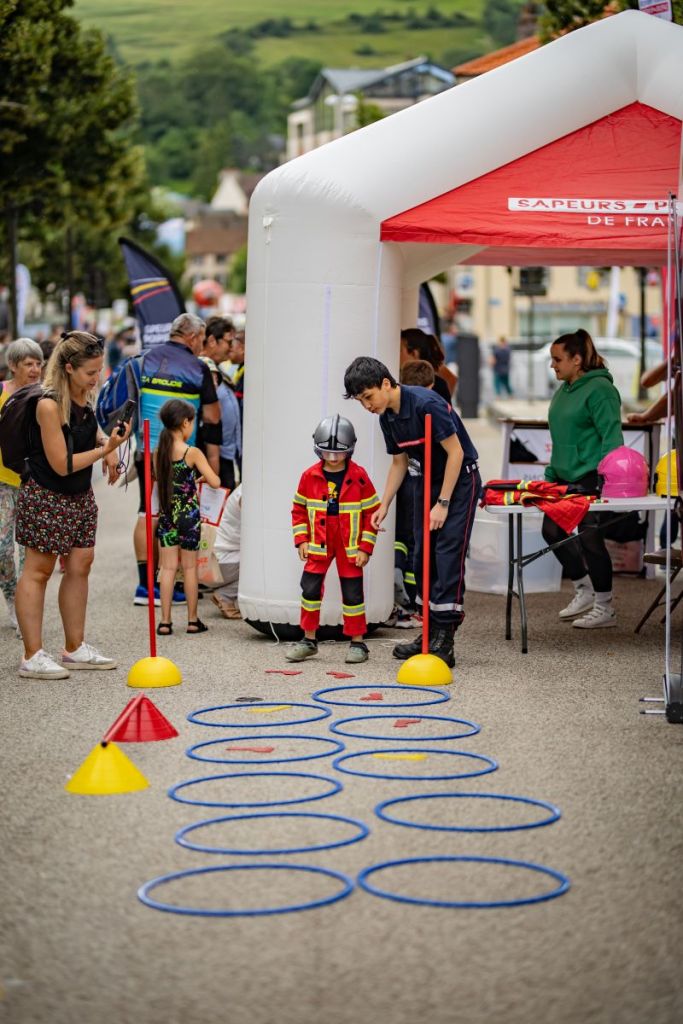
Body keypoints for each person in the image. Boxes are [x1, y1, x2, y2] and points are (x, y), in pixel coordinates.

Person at [344, 356, 480, 668]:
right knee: (421, 557)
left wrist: (443, 503)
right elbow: (399, 462)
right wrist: (384, 503)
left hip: (457, 482)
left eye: (368, 396)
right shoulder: (386, 418)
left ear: (387, 384)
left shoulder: (426, 404)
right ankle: (428, 632)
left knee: (447, 553)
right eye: (360, 401)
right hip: (425, 482)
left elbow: (456, 453)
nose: (367, 405)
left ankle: (445, 638)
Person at [14, 331, 131, 679]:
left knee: (81, 564)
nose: (96, 379)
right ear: (68, 368)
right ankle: (31, 655)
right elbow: (61, 463)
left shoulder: (84, 398)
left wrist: (103, 445)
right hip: (47, 494)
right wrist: (107, 450)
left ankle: (74, 647)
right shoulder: (48, 405)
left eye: (99, 371)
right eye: (90, 373)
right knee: (39, 570)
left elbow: (90, 432)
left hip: (79, 496)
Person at [132, 313, 221, 607]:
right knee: (176, 516)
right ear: (194, 337)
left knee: (148, 512)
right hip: (181, 455)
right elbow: (212, 416)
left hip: (147, 449)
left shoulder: (145, 359)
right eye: (202, 340)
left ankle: (146, 586)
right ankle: (171, 581)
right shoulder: (197, 367)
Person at [542, 329, 624, 628]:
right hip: (563, 476)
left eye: (557, 359)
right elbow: (560, 436)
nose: (553, 365)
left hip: (592, 476)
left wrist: (606, 480)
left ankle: (605, 607)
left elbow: (612, 438)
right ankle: (585, 589)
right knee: (551, 531)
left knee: (590, 537)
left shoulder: (601, 389)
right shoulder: (565, 388)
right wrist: (551, 472)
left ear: (577, 359)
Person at [288, 414, 380, 664]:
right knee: (310, 589)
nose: (332, 458)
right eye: (326, 453)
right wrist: (302, 539)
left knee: (353, 594)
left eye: (338, 453)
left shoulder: (359, 476)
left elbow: (373, 513)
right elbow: (298, 510)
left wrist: (365, 547)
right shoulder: (309, 476)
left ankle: (358, 643)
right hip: (318, 541)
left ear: (349, 449)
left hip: (349, 544)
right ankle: (308, 640)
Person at [154, 399, 221, 636]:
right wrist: (197, 478)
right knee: (190, 569)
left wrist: (188, 481)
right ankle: (193, 621)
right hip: (189, 518)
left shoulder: (158, 452)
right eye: (192, 423)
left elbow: (165, 481)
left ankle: (165, 622)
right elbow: (215, 482)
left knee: (168, 569)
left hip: (167, 517)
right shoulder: (192, 452)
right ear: (185, 422)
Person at [0, 338, 44, 632]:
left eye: (38, 363)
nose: (35, 369)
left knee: (30, 554)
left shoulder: (45, 395)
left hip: (34, 483)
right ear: (12, 365)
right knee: (2, 550)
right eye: (28, 363)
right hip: (2, 483)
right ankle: (12, 598)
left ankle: (25, 612)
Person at [400, 328, 457, 404]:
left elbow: (452, 378)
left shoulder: (437, 386)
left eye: (400, 350)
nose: (397, 354)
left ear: (414, 353)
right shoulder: (399, 380)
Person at [212, 484, 242, 619]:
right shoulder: (246, 496)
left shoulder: (243, 489)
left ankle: (224, 595)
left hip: (219, 559)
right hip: (219, 563)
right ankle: (225, 596)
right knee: (264, 561)